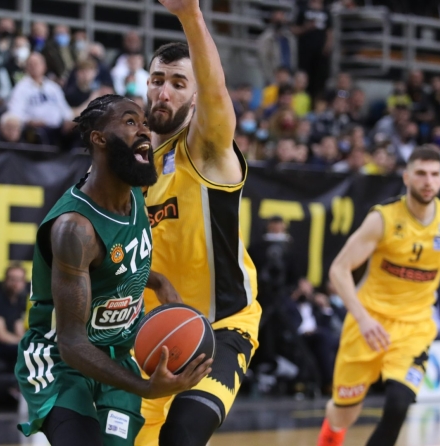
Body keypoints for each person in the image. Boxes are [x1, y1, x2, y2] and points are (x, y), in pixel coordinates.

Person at [16, 94, 212, 445]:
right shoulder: (75, 229)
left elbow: (118, 264)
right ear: (99, 138)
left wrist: (159, 281)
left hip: (118, 356)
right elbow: (71, 343)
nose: (144, 131)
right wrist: (145, 388)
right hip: (61, 362)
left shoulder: (134, 193)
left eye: (145, 124)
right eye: (130, 122)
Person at [316, 146, 440, 446]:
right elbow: (338, 270)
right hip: (369, 323)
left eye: (435, 174)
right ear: (407, 177)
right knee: (343, 415)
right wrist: (363, 318)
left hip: (414, 328)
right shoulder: (383, 219)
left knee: (399, 404)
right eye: (421, 173)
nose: (428, 181)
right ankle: (332, 431)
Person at [138, 0, 261, 444]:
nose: (164, 92)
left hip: (221, 326)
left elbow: (215, 94)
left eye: (178, 83)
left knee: (182, 435)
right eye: (157, 80)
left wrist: (190, 15)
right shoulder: (133, 169)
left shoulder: (206, 152)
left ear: (193, 96)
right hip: (149, 335)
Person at [0, 263, 28, 369]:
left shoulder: (19, 301)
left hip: (12, 343)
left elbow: (19, 328)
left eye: (19, 280)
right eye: (12, 279)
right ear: (5, 280)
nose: (16, 283)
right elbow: (1, 336)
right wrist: (23, 343)